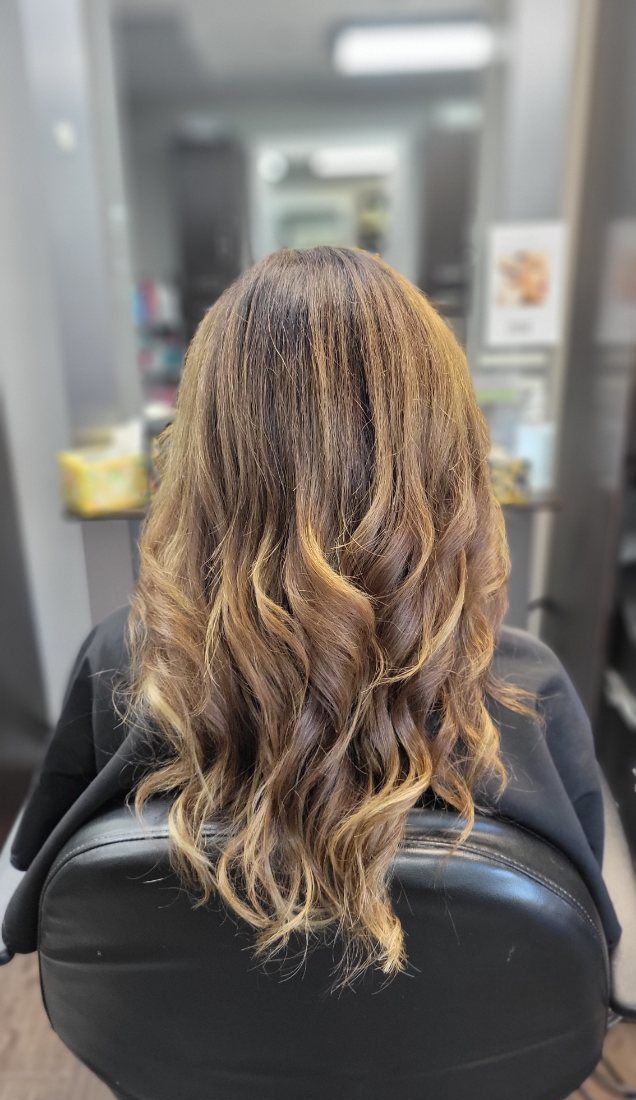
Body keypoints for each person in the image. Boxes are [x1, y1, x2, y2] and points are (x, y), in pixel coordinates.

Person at [4, 246, 621, 983]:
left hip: (194, 1055)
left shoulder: (120, 659)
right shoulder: (529, 686)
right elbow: (594, 930)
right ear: (451, 453)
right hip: (457, 1073)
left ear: (203, 456)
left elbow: (43, 881)